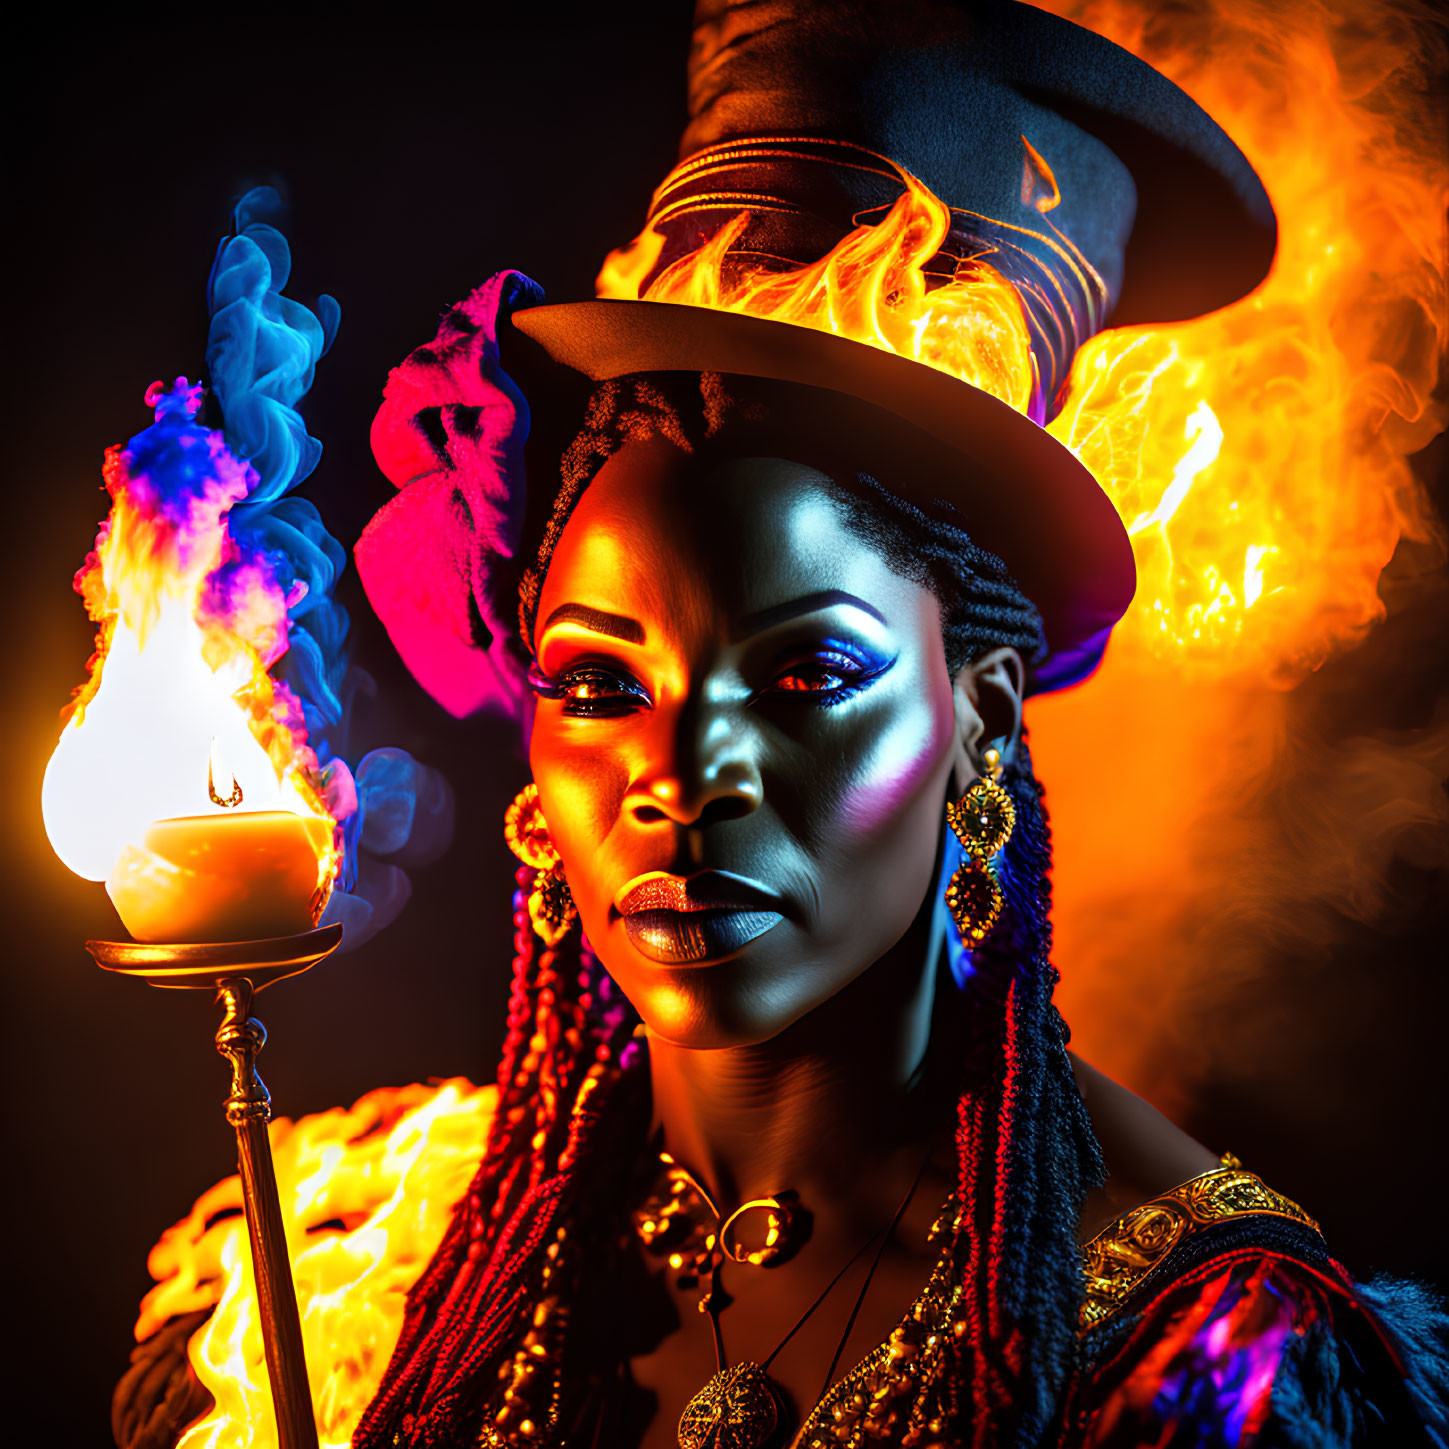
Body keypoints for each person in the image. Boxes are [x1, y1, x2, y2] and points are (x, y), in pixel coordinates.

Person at [115, 3, 1449, 1446]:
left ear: (975, 717)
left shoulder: (1190, 1350)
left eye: (806, 675)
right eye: (598, 684)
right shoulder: (342, 1268)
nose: (682, 776)